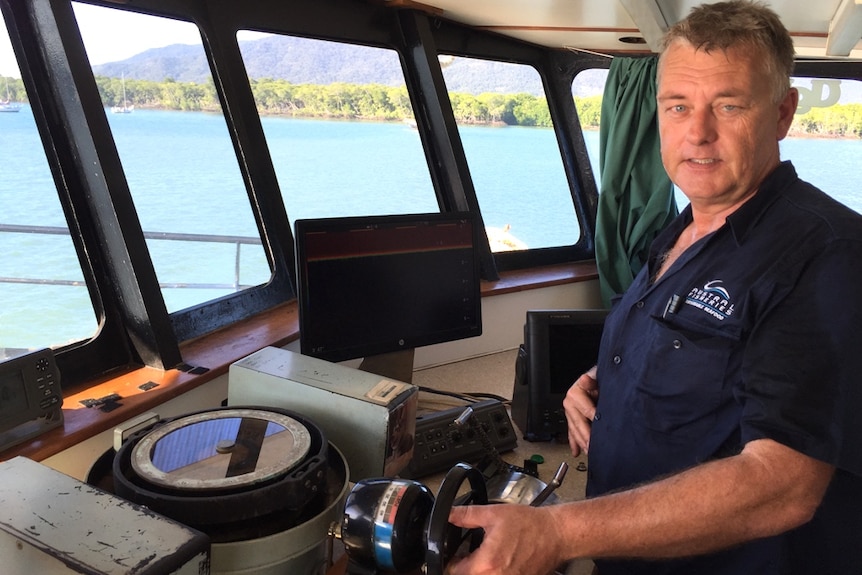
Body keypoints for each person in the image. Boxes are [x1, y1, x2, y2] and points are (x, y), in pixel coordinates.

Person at [447, 1, 862, 574]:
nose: (697, 132)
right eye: (677, 106)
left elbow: (783, 482)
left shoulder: (830, 253)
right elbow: (696, 355)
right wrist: (601, 383)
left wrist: (556, 532)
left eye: (729, 104)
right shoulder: (681, 228)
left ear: (783, 114)